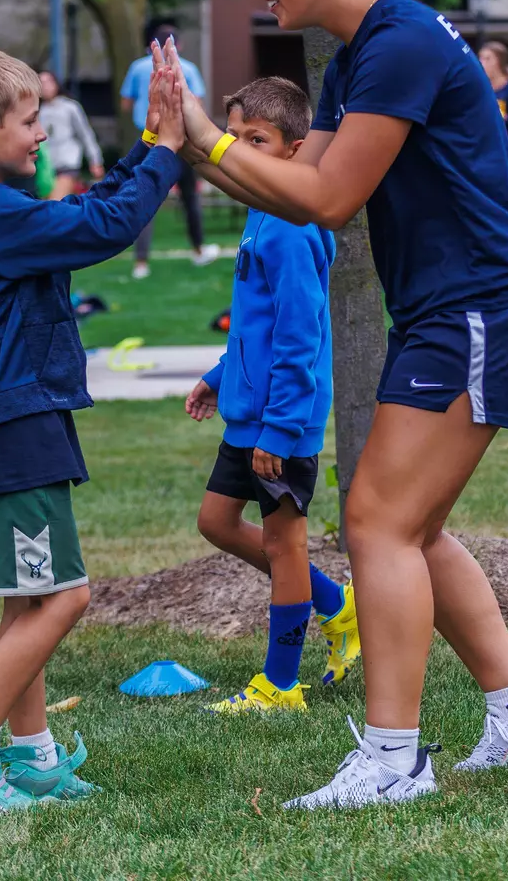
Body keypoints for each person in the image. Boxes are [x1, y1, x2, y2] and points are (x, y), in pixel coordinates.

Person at [162, 0, 508, 811]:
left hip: (485, 303)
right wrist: (194, 143)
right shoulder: (364, 53)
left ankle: (394, 758)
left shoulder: (395, 43)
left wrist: (209, 133)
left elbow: (333, 194)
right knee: (411, 524)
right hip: (455, 306)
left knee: (377, 522)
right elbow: (296, 197)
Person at [0, 43, 186, 813]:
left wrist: (147, 145)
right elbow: (103, 230)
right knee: (64, 598)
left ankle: (32, 762)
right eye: (30, 123)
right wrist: (165, 152)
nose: (41, 136)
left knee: (27, 599)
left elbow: (79, 214)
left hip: (2, 417)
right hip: (10, 419)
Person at [185, 76, 360, 714]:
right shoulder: (263, 211)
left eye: (256, 139)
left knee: (284, 543)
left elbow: (299, 332)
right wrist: (219, 372)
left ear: (294, 149)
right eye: (233, 139)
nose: (241, 150)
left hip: (281, 422)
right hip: (250, 412)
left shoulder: (289, 226)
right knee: (217, 522)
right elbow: (257, 322)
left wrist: (282, 429)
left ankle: (281, 685)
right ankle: (337, 607)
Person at [121, 24, 219, 279]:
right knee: (189, 197)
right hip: (180, 138)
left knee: (144, 194)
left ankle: (141, 262)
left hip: (148, 136)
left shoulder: (137, 68)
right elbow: (196, 104)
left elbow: (125, 103)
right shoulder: (189, 68)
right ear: (178, 44)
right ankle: (198, 250)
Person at [38, 70, 105, 200]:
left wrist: (95, 160)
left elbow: (85, 134)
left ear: (56, 83)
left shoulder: (70, 107)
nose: (45, 86)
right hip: (46, 168)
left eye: (48, 82)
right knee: (47, 208)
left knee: (55, 204)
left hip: (67, 164)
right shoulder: (38, 111)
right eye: (41, 83)